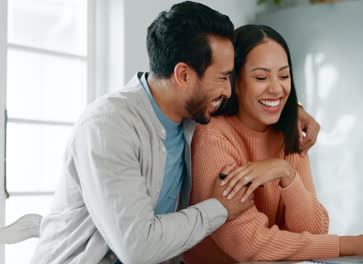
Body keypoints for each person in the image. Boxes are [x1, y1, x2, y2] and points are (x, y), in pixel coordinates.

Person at [31, 3, 320, 264]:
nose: (227, 91)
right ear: (183, 75)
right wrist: (219, 208)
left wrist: (294, 110)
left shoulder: (194, 113)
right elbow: (137, 248)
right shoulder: (107, 126)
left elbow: (248, 101)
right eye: (221, 78)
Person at [185, 24, 363, 264]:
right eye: (261, 77)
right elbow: (248, 244)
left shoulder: (289, 133)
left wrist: (284, 171)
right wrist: (348, 245)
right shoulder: (213, 138)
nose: (277, 88)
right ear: (234, 81)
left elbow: (314, 231)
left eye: (284, 75)